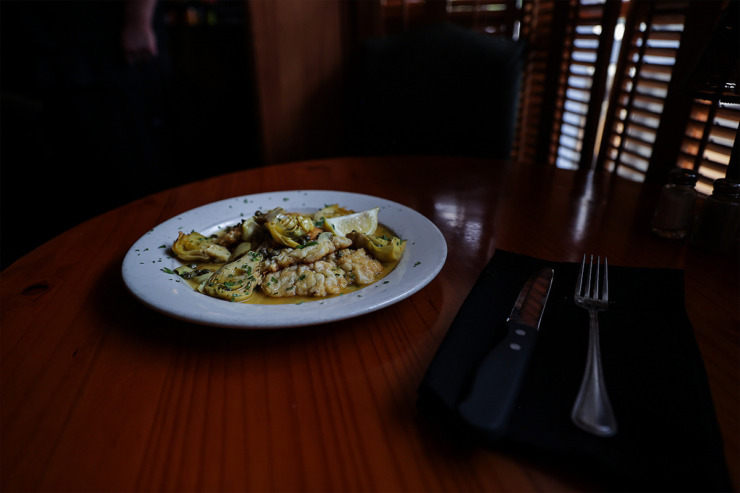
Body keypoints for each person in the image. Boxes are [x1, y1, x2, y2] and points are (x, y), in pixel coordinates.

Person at [1, 0, 172, 269]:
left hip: (106, 46)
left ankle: (148, 267)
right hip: (52, 45)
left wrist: (138, 20)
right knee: (79, 172)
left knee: (129, 167)